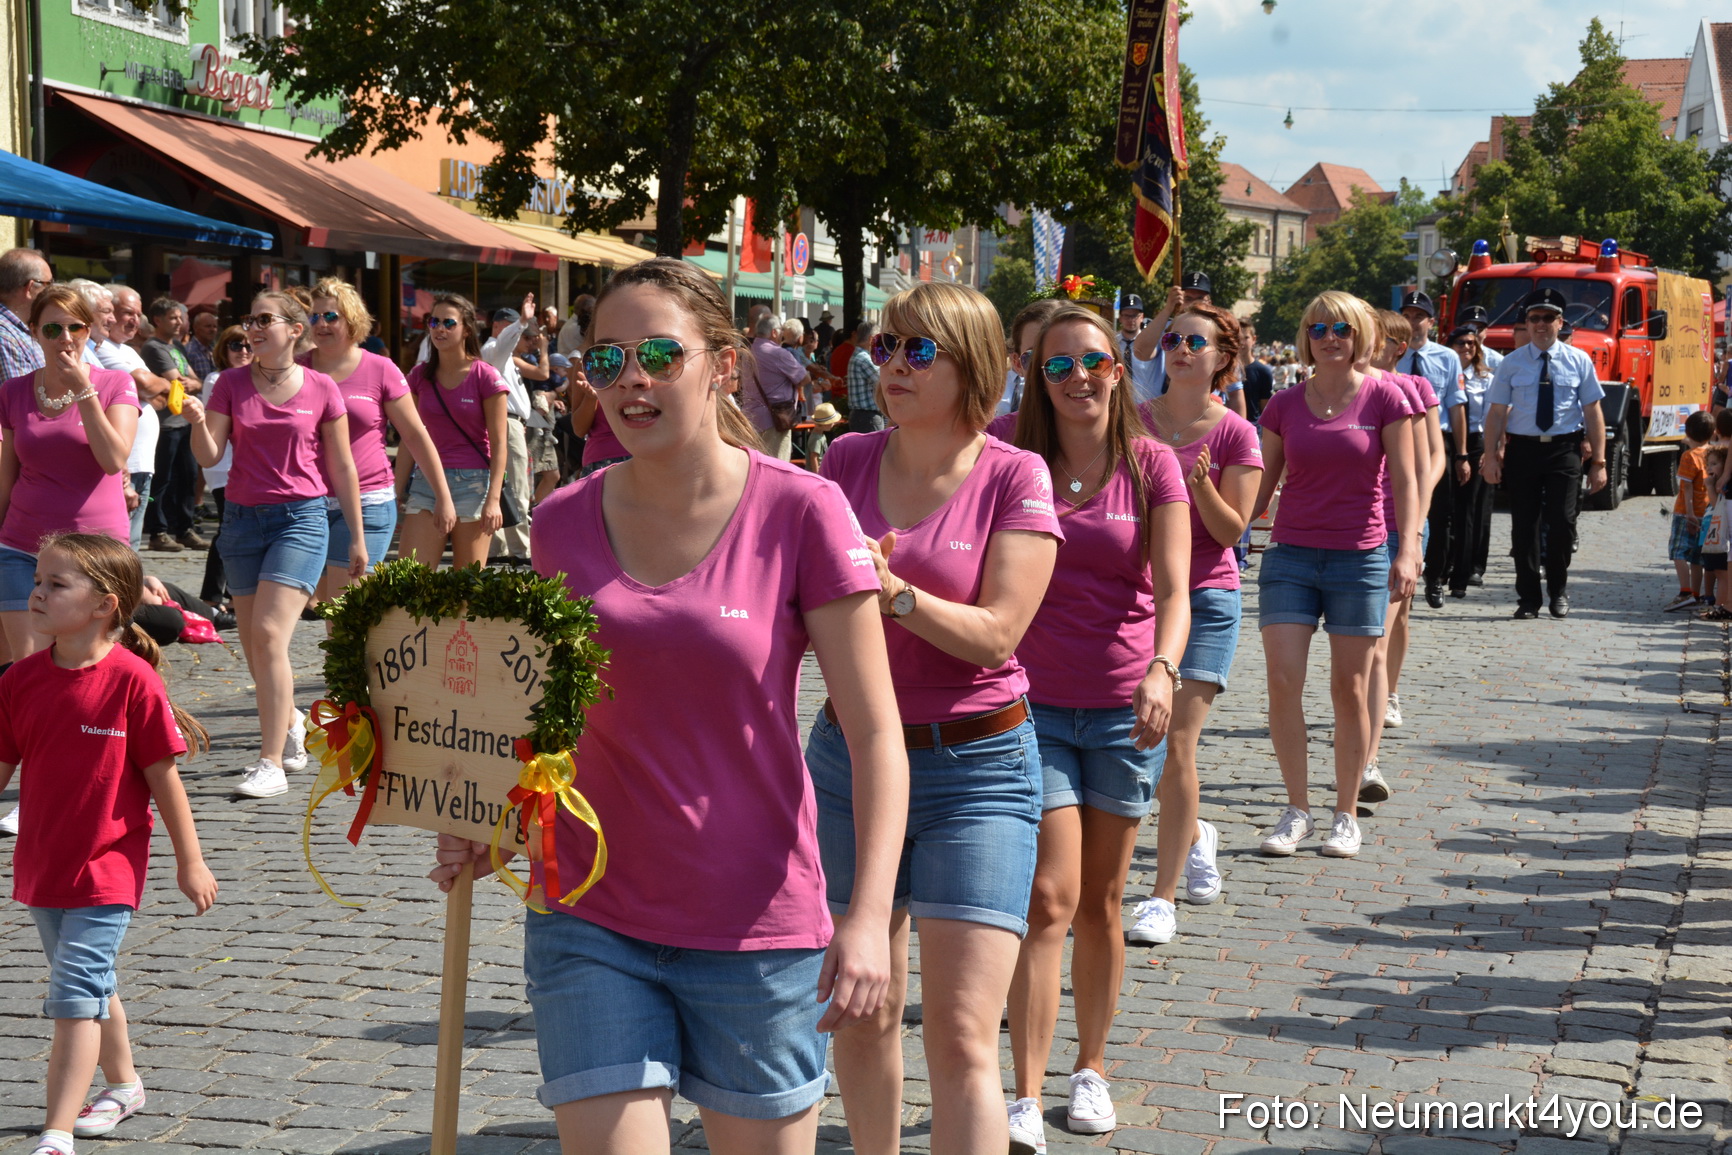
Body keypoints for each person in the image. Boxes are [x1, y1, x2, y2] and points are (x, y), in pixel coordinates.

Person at [431, 257, 906, 1153]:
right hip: (587, 910)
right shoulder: (564, 521)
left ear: (723, 364)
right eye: (606, 360)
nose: (631, 381)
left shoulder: (804, 511)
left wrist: (869, 916)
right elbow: (543, 718)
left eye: (658, 353)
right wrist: (489, 818)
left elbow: (875, 730)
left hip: (755, 924)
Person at [812, 281, 1061, 1155]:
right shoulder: (843, 463)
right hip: (847, 764)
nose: (892, 367)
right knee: (857, 1010)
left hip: (977, 768)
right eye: (885, 348)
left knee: (958, 1036)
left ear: (974, 365)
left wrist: (896, 595)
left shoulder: (1014, 471)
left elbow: (996, 634)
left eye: (920, 351)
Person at [1003, 304, 1189, 1148]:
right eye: (1060, 365)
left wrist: (1162, 668)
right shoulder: (1010, 454)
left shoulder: (1151, 465)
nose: (1080, 377)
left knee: (1103, 904)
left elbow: (1179, 592)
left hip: (1123, 709)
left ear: (1120, 369)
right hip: (1028, 704)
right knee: (1048, 896)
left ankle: (1093, 1067)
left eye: (1097, 362)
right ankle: (1022, 1092)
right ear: (1036, 376)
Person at [0, 532, 216, 1155]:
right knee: (95, 986)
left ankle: (57, 1130)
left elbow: (163, 779)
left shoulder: (132, 682)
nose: (37, 592)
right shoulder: (19, 681)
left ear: (104, 605)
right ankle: (123, 1085)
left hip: (107, 870)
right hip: (43, 864)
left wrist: (191, 861)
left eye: (55, 584)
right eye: (37, 580)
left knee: (72, 996)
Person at [1250, 291, 1419, 859]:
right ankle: (1296, 808)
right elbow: (1260, 490)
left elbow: (1407, 480)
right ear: (1305, 337)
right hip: (1290, 557)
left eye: (1342, 328)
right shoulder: (1281, 405)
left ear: (1360, 336)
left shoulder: (1385, 396)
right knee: (1282, 681)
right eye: (1318, 327)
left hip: (1360, 556)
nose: (1330, 337)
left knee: (1349, 689)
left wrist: (1409, 548)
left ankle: (1345, 813)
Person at [183, 292, 366, 800]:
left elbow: (343, 466)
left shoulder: (323, 387)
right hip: (240, 525)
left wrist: (356, 536)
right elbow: (210, 453)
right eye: (250, 319)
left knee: (266, 634)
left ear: (293, 327)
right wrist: (199, 420)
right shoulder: (229, 384)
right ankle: (290, 721)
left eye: (265, 320)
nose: (254, 329)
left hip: (302, 520)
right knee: (255, 645)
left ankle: (270, 763)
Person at [1130, 302, 1262, 945]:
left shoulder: (1236, 432)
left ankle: (1160, 895)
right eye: (1175, 340)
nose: (1181, 349)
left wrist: (1202, 486)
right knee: (1134, 740)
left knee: (1174, 742)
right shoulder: (1132, 419)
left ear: (1222, 359)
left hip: (1206, 596)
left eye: (1197, 343)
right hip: (1135, 598)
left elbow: (1234, 530)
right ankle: (1196, 831)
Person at [0, 285, 141, 662]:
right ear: (33, 331)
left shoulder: (116, 383)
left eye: (75, 328)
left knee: (88, 663)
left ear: (89, 330)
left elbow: (113, 458)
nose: (65, 338)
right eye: (52, 329)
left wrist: (84, 391)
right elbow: (6, 477)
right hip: (22, 547)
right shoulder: (13, 391)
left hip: (97, 551)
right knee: (29, 663)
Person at [306, 278, 454, 602]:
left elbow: (415, 434)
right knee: (318, 602)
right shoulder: (297, 369)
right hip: (307, 504)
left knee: (342, 610)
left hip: (368, 500)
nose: (321, 324)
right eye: (314, 317)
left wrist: (443, 495)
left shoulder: (379, 368)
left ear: (352, 318)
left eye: (330, 316)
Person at [1480, 288, 1608, 619]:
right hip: (1522, 450)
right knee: (1524, 526)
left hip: (1564, 449)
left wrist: (1599, 463)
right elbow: (1496, 413)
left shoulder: (1578, 360)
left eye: (1548, 318)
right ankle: (1528, 599)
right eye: (1534, 318)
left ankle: (1558, 590)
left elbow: (1593, 411)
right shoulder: (1511, 363)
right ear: (1526, 323)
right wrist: (1491, 455)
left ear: (1560, 322)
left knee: (1562, 522)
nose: (1541, 324)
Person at [1360, 309, 1443, 802]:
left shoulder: (1413, 389)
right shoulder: (1334, 386)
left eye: (1395, 340)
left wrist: (1415, 523)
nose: (1387, 347)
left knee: (1390, 629)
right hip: (1359, 531)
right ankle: (1363, 739)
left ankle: (1375, 729)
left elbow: (1430, 457)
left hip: (1400, 525)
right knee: (1373, 639)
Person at [397, 294, 508, 570]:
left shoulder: (486, 376)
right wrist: (396, 492)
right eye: (434, 322)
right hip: (426, 482)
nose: (440, 329)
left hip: (474, 483)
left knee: (466, 588)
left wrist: (493, 500)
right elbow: (409, 438)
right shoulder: (420, 376)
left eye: (449, 322)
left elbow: (499, 444)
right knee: (410, 580)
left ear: (466, 329)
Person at [1397, 292, 1466, 609]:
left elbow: (1456, 407)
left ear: (1430, 321)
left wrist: (1462, 453)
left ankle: (1435, 578)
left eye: (1418, 316)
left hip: (1437, 440)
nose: (1412, 322)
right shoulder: (1392, 355)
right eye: (1406, 315)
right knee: (1403, 509)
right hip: (1397, 438)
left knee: (1439, 515)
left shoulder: (1447, 357)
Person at [93, 288, 170, 550]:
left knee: (131, 544)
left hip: (142, 464)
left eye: (138, 314)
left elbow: (161, 397)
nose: (134, 320)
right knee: (122, 546)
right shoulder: (100, 349)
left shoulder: (127, 351)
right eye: (128, 312)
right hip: (125, 462)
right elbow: (147, 386)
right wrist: (151, 388)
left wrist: (152, 389)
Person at [139, 297, 207, 554]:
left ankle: (184, 529)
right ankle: (158, 531)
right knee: (162, 481)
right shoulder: (153, 347)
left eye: (180, 317)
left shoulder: (176, 346)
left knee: (188, 477)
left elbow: (195, 381)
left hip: (184, 422)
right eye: (173, 318)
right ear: (157, 320)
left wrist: (192, 383)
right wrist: (188, 383)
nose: (179, 322)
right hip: (166, 424)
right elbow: (177, 380)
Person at [480, 298, 539, 563]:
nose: (517, 334)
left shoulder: (500, 352)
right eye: (511, 326)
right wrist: (522, 322)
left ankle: (502, 547)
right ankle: (521, 549)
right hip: (506, 421)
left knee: (509, 485)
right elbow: (503, 343)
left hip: (511, 422)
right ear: (498, 327)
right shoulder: (494, 348)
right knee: (515, 486)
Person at [196, 325, 251, 611]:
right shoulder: (217, 379)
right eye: (236, 346)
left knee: (239, 530)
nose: (243, 351)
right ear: (224, 349)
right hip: (224, 465)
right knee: (226, 531)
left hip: (247, 466)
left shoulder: (255, 379)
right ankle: (211, 597)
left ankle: (232, 595)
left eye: (248, 346)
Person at [1446, 325, 1496, 597]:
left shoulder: (1485, 378)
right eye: (1460, 343)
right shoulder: (1444, 373)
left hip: (1476, 443)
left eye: (1471, 343)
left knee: (1468, 510)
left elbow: (1491, 416)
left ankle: (1462, 574)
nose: (1466, 348)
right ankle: (1442, 563)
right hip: (1446, 441)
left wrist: (1492, 449)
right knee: (1444, 508)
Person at [1666, 410, 1715, 611]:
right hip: (1707, 512)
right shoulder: (1713, 453)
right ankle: (1696, 593)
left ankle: (1685, 591)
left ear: (1688, 431)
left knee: (1678, 551)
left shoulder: (1689, 457)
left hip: (1687, 512)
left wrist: (1688, 513)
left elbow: (1686, 487)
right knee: (1697, 557)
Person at [744, 315, 804, 460]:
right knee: (778, 467)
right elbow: (803, 378)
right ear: (774, 332)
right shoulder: (778, 353)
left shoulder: (748, 352)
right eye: (781, 330)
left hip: (751, 419)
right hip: (775, 421)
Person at [998, 299, 1065, 419]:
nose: (1050, 368)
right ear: (1017, 363)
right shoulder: (997, 432)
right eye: (1034, 357)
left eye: (1063, 359)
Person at [0, 249, 52, 382]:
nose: (51, 292)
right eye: (48, 284)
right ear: (30, 288)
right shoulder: (5, 338)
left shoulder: (19, 330)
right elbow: (20, 401)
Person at [844, 320, 885, 434]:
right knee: (876, 450)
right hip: (867, 417)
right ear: (872, 339)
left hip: (863, 417)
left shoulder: (859, 356)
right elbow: (884, 380)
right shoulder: (863, 358)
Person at [802, 401, 844, 473]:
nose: (833, 424)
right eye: (831, 422)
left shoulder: (820, 435)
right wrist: (818, 475)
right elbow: (814, 458)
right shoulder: (816, 439)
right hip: (816, 473)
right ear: (823, 424)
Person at [184, 308, 218, 382]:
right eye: (208, 326)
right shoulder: (189, 351)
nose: (212, 330)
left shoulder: (215, 350)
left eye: (215, 326)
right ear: (196, 328)